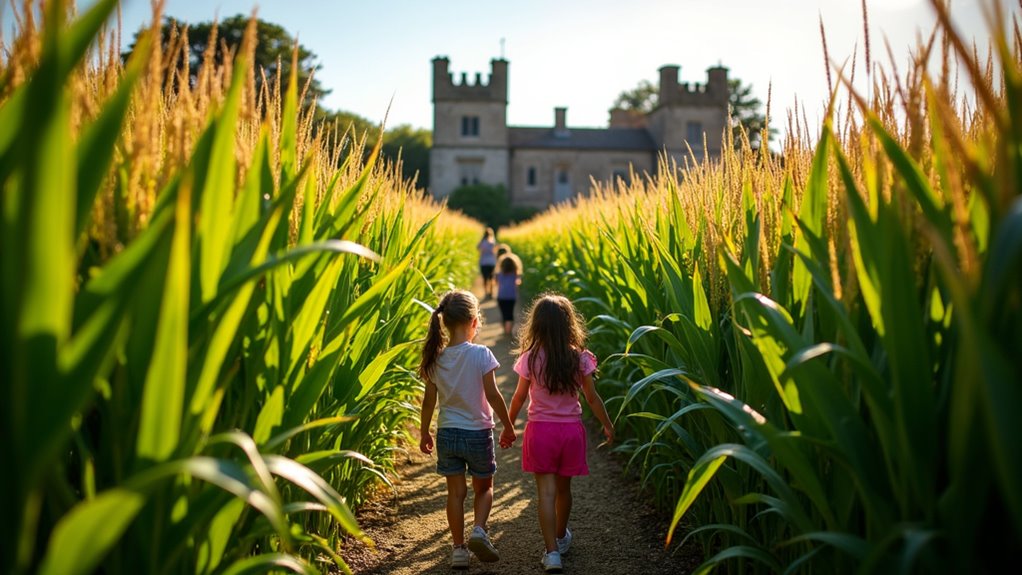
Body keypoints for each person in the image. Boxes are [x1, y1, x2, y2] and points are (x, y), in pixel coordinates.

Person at [507, 293, 615, 573]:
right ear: (569, 325)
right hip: (570, 432)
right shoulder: (579, 358)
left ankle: (551, 553)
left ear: (537, 326)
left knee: (545, 493)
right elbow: (592, 398)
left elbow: (519, 397)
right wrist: (607, 423)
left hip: (540, 431)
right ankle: (560, 535)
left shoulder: (530, 358)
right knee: (564, 491)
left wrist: (508, 426)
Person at [418, 289, 518, 570]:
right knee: (484, 486)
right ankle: (479, 530)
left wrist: (425, 432)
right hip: (477, 432)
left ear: (445, 323)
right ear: (475, 321)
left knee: (455, 493)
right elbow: (494, 395)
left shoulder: (435, 359)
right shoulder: (481, 354)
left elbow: (429, 402)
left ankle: (458, 549)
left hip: (448, 433)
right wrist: (508, 426)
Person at [495, 252, 523, 337]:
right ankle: (509, 330)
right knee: (510, 313)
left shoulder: (499, 275)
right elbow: (518, 283)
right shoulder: (515, 275)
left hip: (501, 297)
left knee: (504, 313)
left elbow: (497, 283)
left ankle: (505, 330)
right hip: (511, 297)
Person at [477, 227, 498, 299]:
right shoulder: (493, 242)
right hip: (492, 262)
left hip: (483, 262)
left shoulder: (482, 242)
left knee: (485, 279)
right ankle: (491, 292)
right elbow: (495, 251)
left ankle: (486, 293)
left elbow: (477, 248)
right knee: (491, 278)